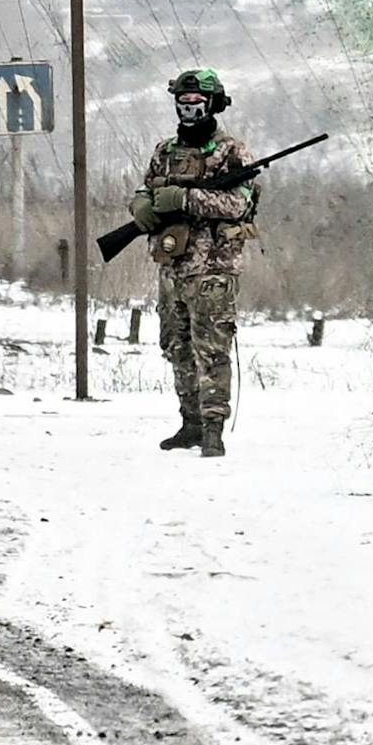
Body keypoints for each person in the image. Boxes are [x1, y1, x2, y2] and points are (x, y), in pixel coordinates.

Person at [127, 68, 256, 459]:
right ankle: (191, 423)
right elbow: (146, 188)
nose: (188, 110)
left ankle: (213, 430)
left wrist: (186, 200)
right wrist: (141, 206)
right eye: (182, 103)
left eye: (196, 103)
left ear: (212, 104)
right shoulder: (165, 151)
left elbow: (238, 203)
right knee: (176, 346)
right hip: (172, 265)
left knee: (211, 349)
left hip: (213, 268)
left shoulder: (232, 152)